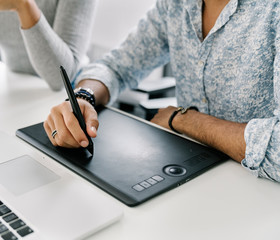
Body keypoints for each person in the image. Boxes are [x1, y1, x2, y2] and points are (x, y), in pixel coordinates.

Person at [43, 0, 280, 182]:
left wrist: (186, 120)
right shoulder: (175, 4)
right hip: (190, 176)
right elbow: (116, 66)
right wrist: (84, 96)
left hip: (259, 193)